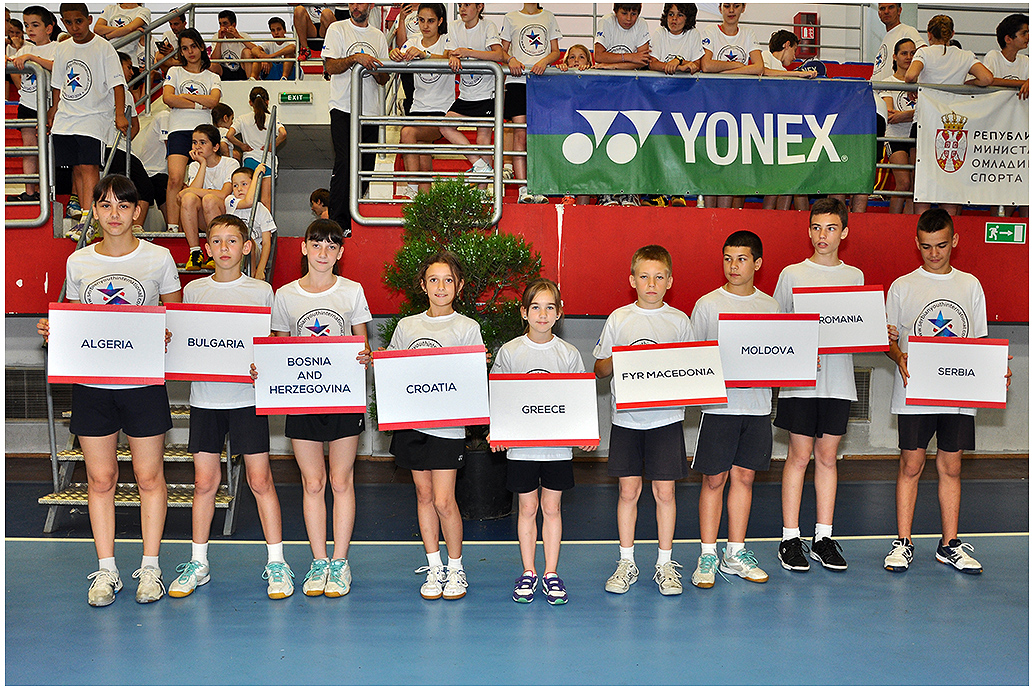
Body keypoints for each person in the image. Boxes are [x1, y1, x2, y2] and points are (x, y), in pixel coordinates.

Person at [36, 174, 182, 607]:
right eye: (105, 205)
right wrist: (55, 332)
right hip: (92, 386)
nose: (114, 214)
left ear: (137, 211)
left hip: (143, 385)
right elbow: (75, 322)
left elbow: (176, 319)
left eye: (123, 205)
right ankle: (106, 570)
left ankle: (151, 568)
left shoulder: (159, 259)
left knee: (149, 477)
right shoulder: (78, 262)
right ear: (94, 211)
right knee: (100, 480)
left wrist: (167, 334)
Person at [168, 214, 293, 600]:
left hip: (247, 400)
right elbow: (185, 341)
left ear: (246, 247)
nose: (224, 248)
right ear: (206, 248)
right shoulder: (194, 292)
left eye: (232, 241)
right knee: (204, 483)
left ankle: (277, 563)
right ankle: (198, 562)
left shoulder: (262, 292)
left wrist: (263, 364)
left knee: (260, 481)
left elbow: (272, 345)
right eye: (217, 241)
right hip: (205, 399)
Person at [883, 209, 1009, 575]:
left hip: (959, 393)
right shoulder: (902, 286)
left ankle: (949, 544)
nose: (934, 253)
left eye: (940, 245)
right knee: (911, 465)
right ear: (917, 244)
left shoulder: (970, 285)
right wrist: (898, 355)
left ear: (954, 240)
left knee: (951, 466)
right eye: (926, 247)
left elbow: (980, 341)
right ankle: (903, 542)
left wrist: (995, 371)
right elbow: (888, 341)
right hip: (915, 392)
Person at [267, 218, 373, 598]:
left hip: (342, 398)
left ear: (340, 252)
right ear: (304, 248)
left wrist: (365, 356)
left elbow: (363, 346)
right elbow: (279, 349)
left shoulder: (352, 291)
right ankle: (319, 560)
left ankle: (340, 562)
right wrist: (266, 368)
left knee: (341, 481)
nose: (323, 252)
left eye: (331, 246)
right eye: (316, 244)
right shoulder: (285, 295)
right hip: (302, 400)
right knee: (313, 483)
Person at [593, 245, 694, 596]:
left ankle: (665, 563)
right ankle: (626, 561)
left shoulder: (680, 322)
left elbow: (693, 370)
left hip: (666, 420)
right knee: (628, 491)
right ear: (632, 280)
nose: (651, 283)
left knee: (665, 492)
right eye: (644, 276)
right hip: (627, 420)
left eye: (659, 277)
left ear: (670, 281)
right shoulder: (619, 318)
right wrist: (620, 358)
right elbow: (599, 369)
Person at [384, 250, 484, 601]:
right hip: (413, 426)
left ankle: (456, 567)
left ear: (459, 285)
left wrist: (476, 366)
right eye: (434, 280)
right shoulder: (407, 326)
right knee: (424, 495)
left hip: (448, 429)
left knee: (444, 500)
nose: (441, 286)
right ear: (423, 285)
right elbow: (393, 369)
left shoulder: (467, 328)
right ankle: (434, 565)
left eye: (448, 280)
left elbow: (473, 381)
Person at [490, 278, 596, 605]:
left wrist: (585, 432)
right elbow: (499, 397)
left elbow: (578, 398)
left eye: (550, 307)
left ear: (559, 312)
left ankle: (550, 572)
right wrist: (498, 432)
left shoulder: (568, 354)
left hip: (557, 450)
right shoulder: (510, 352)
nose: (542, 314)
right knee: (526, 508)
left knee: (552, 508)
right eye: (535, 307)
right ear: (524, 312)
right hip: (521, 450)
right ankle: (528, 571)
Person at [772, 199, 862, 573]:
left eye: (830, 228)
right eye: (816, 227)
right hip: (800, 384)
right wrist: (801, 352)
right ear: (808, 231)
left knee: (828, 458)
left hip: (838, 382)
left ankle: (823, 537)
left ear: (844, 232)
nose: (822, 235)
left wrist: (878, 330)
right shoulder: (792, 274)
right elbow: (777, 326)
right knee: (798, 456)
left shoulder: (855, 277)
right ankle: (789, 538)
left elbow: (858, 327)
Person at [688, 230, 777, 588]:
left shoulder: (770, 306)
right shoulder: (707, 305)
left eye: (741, 259)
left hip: (757, 408)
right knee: (714, 480)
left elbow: (781, 354)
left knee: (745, 478)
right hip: (719, 409)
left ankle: (735, 553)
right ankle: (708, 554)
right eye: (727, 258)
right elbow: (694, 355)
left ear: (757, 263)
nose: (733, 266)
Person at [49, 3, 129, 236]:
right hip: (66, 117)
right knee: (76, 167)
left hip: (94, 116)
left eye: (79, 21)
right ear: (62, 22)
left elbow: (118, 84)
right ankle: (84, 216)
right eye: (68, 22)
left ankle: (89, 219)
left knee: (88, 166)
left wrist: (119, 114)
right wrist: (53, 108)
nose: (74, 27)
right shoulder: (62, 48)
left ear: (89, 19)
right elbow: (57, 84)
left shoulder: (104, 48)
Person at [905, 15, 993, 216]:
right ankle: (950, 226)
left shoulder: (924, 53)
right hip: (952, 125)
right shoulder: (965, 55)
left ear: (929, 34)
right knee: (951, 179)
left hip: (925, 122)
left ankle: (921, 225)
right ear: (952, 34)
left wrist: (915, 85)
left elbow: (910, 75)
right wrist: (966, 84)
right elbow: (987, 78)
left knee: (922, 178)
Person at [323, 2, 390, 234]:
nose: (355, 7)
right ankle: (338, 222)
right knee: (344, 162)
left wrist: (373, 68)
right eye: (352, 2)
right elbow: (330, 66)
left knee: (366, 167)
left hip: (370, 112)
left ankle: (354, 220)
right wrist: (355, 59)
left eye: (360, 2)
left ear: (370, 5)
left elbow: (384, 79)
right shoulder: (337, 29)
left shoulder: (378, 36)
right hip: (342, 107)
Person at [700, 3, 763, 209]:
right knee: (711, 161)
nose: (731, 10)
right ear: (720, 8)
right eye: (727, 6)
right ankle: (709, 217)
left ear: (743, 8)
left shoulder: (748, 33)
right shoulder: (711, 31)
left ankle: (726, 217)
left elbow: (759, 67)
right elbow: (706, 65)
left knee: (732, 163)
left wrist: (722, 71)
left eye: (736, 6)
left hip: (739, 107)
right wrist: (738, 65)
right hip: (712, 105)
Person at [389, 3, 453, 199]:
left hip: (441, 111)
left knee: (407, 132)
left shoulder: (447, 40)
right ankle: (424, 203)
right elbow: (399, 56)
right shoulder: (413, 40)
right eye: (421, 20)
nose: (425, 26)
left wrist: (425, 55)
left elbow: (450, 58)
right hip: (418, 107)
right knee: (423, 155)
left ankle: (412, 187)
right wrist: (394, 54)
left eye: (431, 21)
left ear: (440, 21)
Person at [163, 28, 221, 241]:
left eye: (193, 47)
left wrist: (185, 97)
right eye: (185, 48)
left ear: (201, 47)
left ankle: (206, 226)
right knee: (175, 178)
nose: (190, 52)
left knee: (204, 180)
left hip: (203, 131)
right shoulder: (175, 72)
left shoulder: (212, 76)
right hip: (178, 130)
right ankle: (172, 226)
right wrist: (199, 103)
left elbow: (213, 101)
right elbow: (168, 98)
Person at [500, 4, 562, 204]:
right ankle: (523, 188)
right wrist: (511, 59)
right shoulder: (510, 17)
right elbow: (501, 51)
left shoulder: (548, 16)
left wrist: (544, 61)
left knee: (540, 137)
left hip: (542, 82)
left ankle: (539, 186)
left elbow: (556, 51)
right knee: (520, 135)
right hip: (517, 82)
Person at [438, 3, 505, 186]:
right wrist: (452, 56)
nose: (462, 9)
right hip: (466, 94)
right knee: (445, 127)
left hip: (487, 93)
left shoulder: (488, 26)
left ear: (479, 7)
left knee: (483, 140)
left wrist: (468, 52)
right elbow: (450, 52)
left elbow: (498, 55)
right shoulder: (454, 26)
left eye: (467, 5)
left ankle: (483, 192)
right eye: (460, 5)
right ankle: (479, 165)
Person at [593, 4, 651, 206]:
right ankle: (606, 192)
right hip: (606, 92)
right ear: (616, 12)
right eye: (624, 13)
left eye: (633, 13)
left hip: (632, 92)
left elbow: (643, 61)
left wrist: (614, 65)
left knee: (632, 140)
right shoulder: (606, 22)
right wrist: (630, 57)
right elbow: (599, 55)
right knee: (605, 140)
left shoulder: (642, 25)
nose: (629, 18)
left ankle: (630, 191)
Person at [760, 30, 818, 212]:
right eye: (794, 50)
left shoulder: (784, 71)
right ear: (786, 45)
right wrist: (798, 74)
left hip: (780, 128)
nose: (794, 57)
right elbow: (763, 72)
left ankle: (780, 218)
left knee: (784, 179)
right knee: (773, 183)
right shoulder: (765, 56)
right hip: (764, 126)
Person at [7, 6, 57, 202]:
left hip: (48, 105)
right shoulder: (25, 48)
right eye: (27, 25)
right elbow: (13, 64)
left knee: (47, 148)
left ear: (49, 28)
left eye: (35, 25)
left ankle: (47, 190)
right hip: (27, 103)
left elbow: (56, 66)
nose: (29, 29)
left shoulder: (57, 47)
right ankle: (29, 192)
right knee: (29, 148)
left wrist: (31, 58)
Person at [178, 124, 236, 270]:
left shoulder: (230, 163)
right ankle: (195, 252)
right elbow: (190, 194)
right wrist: (202, 163)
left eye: (202, 142)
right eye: (194, 142)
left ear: (215, 147)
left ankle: (214, 251)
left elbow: (223, 194)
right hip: (204, 219)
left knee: (209, 199)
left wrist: (195, 191)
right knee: (189, 198)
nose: (197, 147)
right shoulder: (194, 166)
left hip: (225, 216)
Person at [226, 86, 286, 213]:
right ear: (267, 101)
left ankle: (246, 221)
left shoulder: (242, 119)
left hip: (250, 160)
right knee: (266, 200)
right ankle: (266, 225)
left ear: (250, 102)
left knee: (247, 197)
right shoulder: (272, 118)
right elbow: (283, 133)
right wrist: (272, 146)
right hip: (266, 161)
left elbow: (229, 135)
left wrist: (242, 145)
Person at [220, 165, 276, 282]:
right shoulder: (230, 201)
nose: (239, 189)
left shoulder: (262, 209)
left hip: (254, 252)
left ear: (255, 185)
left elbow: (266, 243)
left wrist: (261, 269)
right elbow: (249, 201)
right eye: (235, 185)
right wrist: (256, 175)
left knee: (248, 241)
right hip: (233, 248)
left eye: (244, 184)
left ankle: (252, 277)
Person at [880, 38, 917, 214]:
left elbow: (928, 114)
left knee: (915, 187)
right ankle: (892, 222)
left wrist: (904, 115)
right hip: (895, 138)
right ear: (894, 56)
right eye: (904, 53)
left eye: (913, 53)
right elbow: (890, 116)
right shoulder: (888, 82)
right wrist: (916, 114)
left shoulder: (923, 83)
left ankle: (910, 224)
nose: (909, 57)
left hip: (916, 138)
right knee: (904, 183)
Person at [978, 13, 1028, 100]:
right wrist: (1024, 83)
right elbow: (989, 81)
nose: (1028, 37)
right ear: (1008, 39)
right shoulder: (993, 56)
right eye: (1023, 33)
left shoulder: (1025, 60)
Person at [871, 3, 925, 83]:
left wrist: (911, 78)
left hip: (895, 88)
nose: (886, 11)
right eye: (882, 9)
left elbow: (923, 53)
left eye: (891, 7)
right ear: (879, 14)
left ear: (899, 10)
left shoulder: (908, 31)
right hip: (881, 87)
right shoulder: (887, 36)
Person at [94, 3, 149, 67]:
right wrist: (127, 30)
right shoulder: (110, 8)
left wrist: (107, 36)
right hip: (108, 59)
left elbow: (130, 28)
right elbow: (97, 28)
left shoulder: (143, 11)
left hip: (129, 61)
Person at [245, 16, 296, 81]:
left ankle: (284, 78)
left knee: (289, 54)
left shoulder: (291, 41)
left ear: (285, 30)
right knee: (258, 57)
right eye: (273, 30)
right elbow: (254, 50)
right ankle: (252, 79)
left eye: (279, 29)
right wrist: (263, 57)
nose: (276, 33)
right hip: (273, 71)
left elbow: (292, 48)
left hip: (290, 73)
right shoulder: (269, 43)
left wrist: (270, 56)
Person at [209, 10, 251, 81]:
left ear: (233, 25)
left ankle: (250, 82)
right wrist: (220, 40)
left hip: (242, 69)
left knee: (247, 52)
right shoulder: (216, 37)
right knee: (212, 66)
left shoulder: (244, 36)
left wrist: (238, 37)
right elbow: (214, 59)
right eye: (220, 24)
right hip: (224, 70)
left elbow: (255, 50)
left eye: (225, 24)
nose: (222, 27)